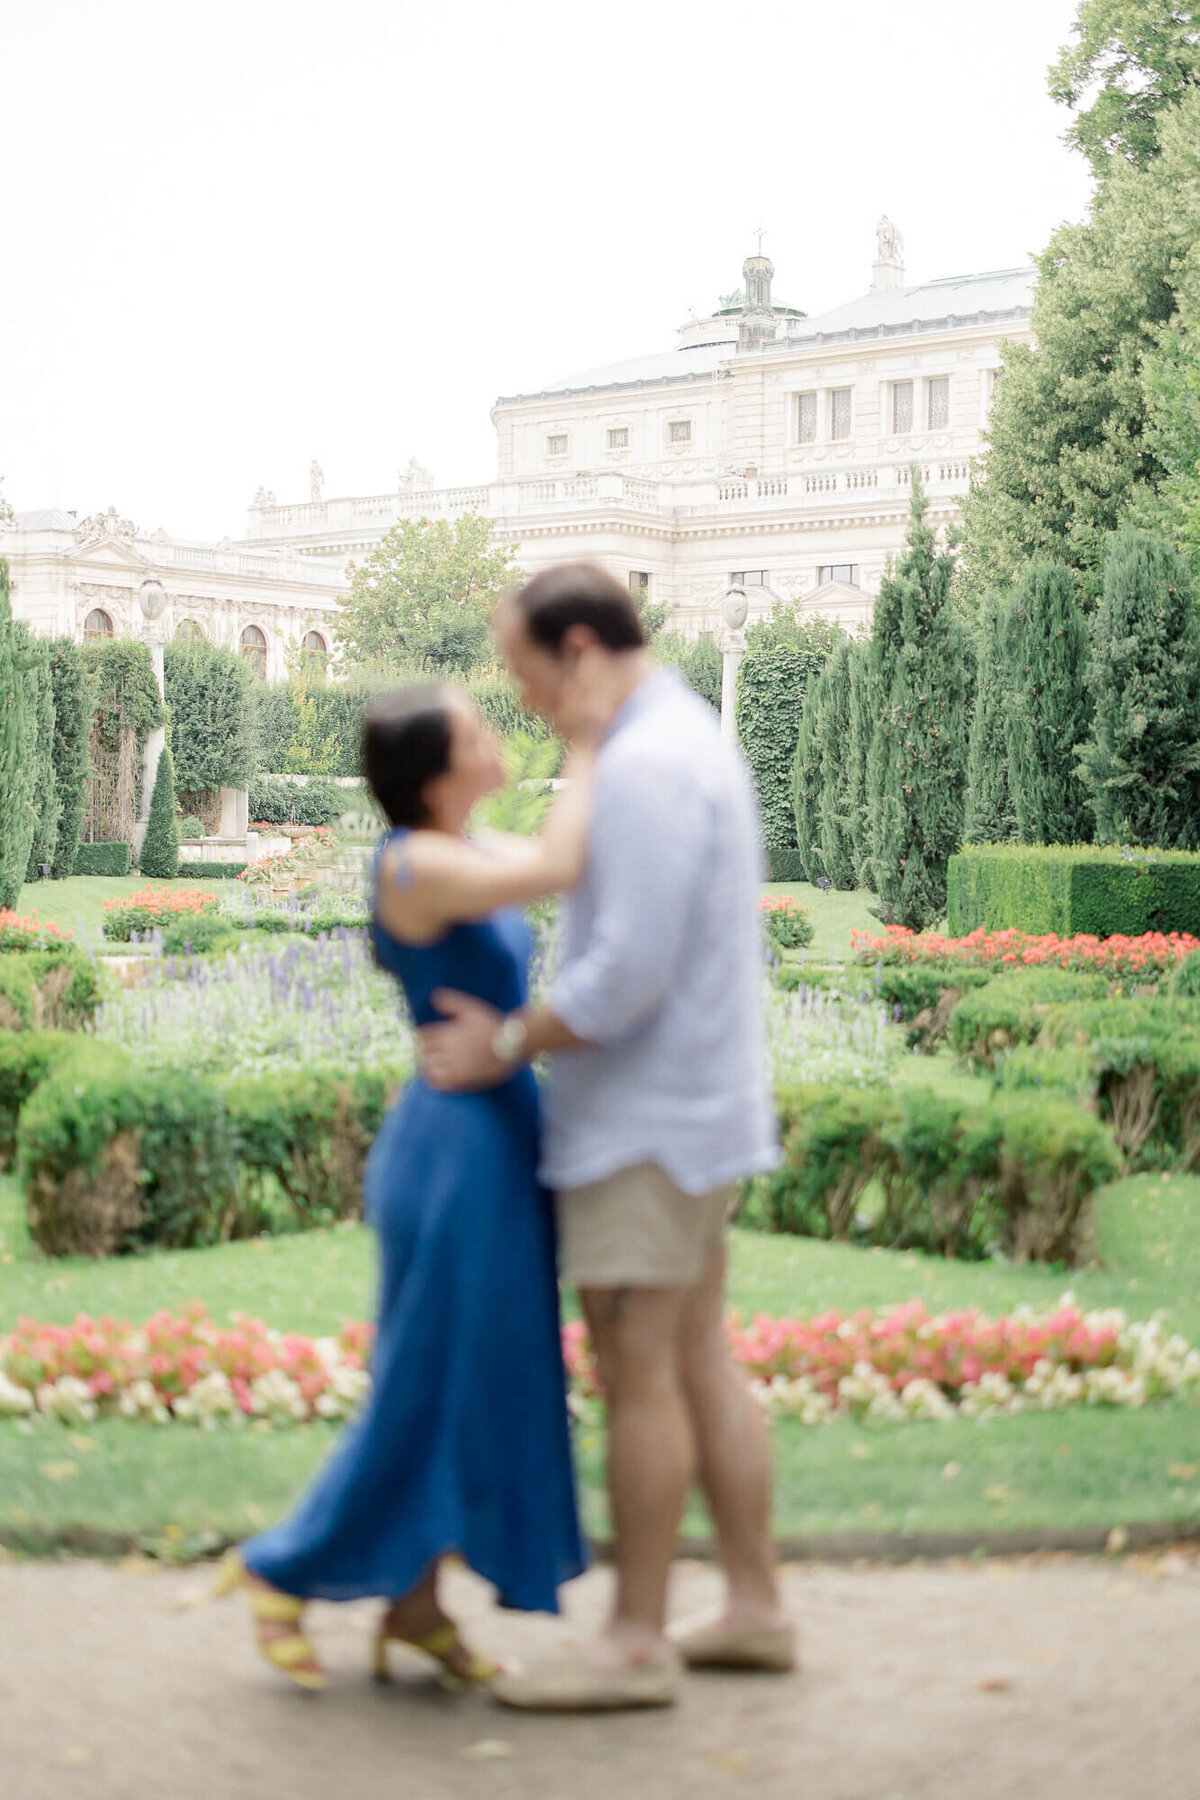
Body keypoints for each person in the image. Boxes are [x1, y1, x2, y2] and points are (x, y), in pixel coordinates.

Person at [419, 562, 794, 1712]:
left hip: (644, 1125)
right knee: (694, 1358)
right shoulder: (681, 739)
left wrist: (508, 1041)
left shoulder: (642, 765)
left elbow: (622, 974)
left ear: (579, 647)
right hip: (694, 1114)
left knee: (639, 1372)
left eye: (529, 677)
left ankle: (633, 1642)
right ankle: (753, 1605)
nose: (528, 703)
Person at [214, 684, 591, 1691]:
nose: (495, 732)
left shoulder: (464, 847)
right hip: (455, 1150)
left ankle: (418, 1609)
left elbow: (556, 861)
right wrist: (598, 731)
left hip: (495, 1140)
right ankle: (277, 1570)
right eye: (474, 728)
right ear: (435, 768)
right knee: (428, 1382)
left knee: (478, 1381)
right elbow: (565, 862)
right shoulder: (417, 860)